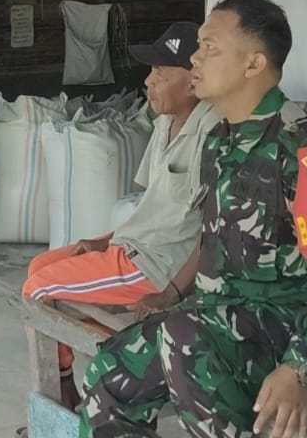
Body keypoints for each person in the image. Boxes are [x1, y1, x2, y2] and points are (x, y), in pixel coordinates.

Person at [79, 0, 307, 438]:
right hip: (219, 319)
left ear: (254, 64)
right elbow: (213, 241)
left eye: (210, 47)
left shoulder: (305, 150)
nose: (195, 58)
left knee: (182, 340)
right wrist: (172, 294)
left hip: (288, 332)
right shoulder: (219, 139)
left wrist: (302, 369)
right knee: (110, 370)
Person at [20, 21, 221, 409]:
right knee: (39, 267)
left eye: (160, 73)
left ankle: (63, 397)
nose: (148, 82)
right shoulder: (165, 124)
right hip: (131, 248)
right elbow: (151, 208)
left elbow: (214, 231)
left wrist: (171, 292)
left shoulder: (212, 133)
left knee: (39, 290)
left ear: (193, 82)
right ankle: (119, 355)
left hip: (156, 267)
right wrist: (103, 241)